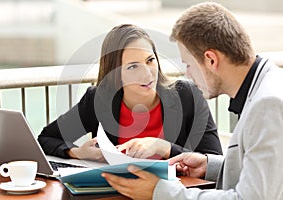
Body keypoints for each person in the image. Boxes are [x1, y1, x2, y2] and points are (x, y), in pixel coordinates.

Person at [102, 2, 283, 200]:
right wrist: (210, 166)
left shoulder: (267, 105)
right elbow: (267, 173)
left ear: (211, 60)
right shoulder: (267, 85)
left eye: (188, 64)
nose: (188, 74)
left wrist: (159, 192)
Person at [37, 24, 222, 162]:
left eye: (150, 60)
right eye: (133, 66)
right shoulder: (98, 100)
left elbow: (215, 162)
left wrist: (165, 148)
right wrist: (76, 152)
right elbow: (45, 138)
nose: (147, 73)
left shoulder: (187, 97)